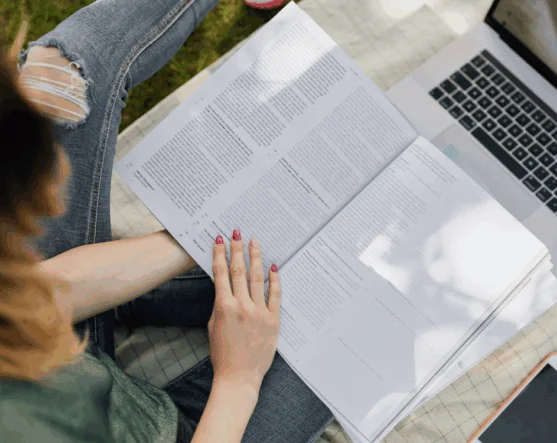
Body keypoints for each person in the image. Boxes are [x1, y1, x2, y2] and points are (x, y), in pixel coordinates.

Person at [0, 0, 332, 441]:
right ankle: (138, 302)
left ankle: (128, 302)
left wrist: (193, 235)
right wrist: (238, 380)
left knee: (59, 79)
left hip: (68, 355)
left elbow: (23, 300)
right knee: (340, 306)